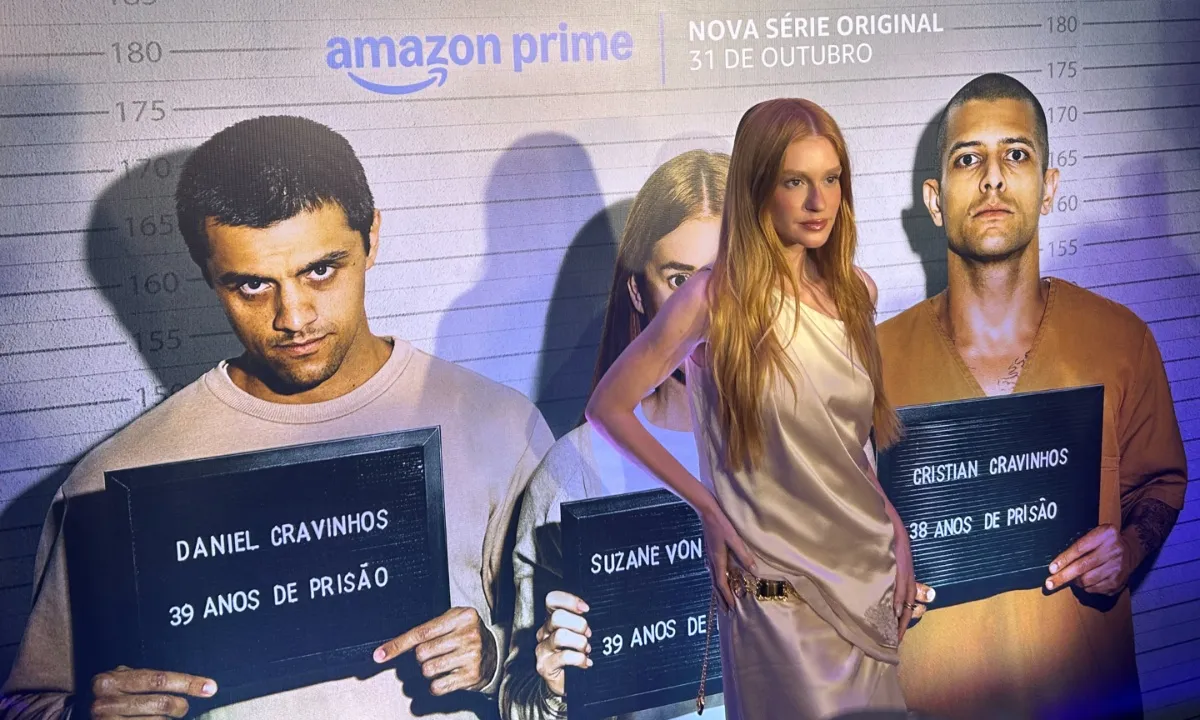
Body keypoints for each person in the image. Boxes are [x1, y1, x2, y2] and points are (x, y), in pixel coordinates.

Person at [0, 115, 555, 720]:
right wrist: (84, 715)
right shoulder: (111, 481)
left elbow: (577, 675)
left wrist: (494, 661)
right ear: (207, 273)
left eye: (320, 270)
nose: (293, 317)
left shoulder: (499, 427)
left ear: (371, 238)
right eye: (251, 286)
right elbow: (27, 704)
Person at [585, 98, 920, 720]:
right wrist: (707, 508)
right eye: (796, 182)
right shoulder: (713, 298)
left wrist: (895, 525)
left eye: (831, 179)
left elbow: (846, 445)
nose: (819, 202)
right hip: (772, 585)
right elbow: (609, 407)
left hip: (866, 569)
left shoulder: (857, 291)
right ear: (759, 187)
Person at [878, 73, 1187, 720]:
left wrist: (1128, 548)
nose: (993, 178)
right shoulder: (869, 363)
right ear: (935, 200)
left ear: (1048, 188)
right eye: (969, 159)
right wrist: (867, 578)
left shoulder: (1121, 340)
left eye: (1015, 154)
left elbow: (1159, 485)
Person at [500, 150, 730, 720]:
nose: (705, 308)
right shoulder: (574, 470)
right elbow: (521, 700)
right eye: (679, 279)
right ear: (637, 293)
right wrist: (553, 687)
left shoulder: (817, 447)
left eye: (731, 275)